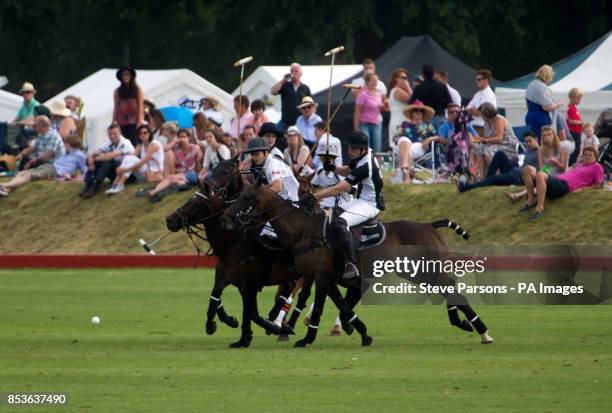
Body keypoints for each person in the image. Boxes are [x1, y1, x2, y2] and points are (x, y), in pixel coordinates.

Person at [307, 131, 384, 279]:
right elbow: (348, 170)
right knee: (331, 214)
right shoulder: (363, 155)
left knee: (340, 223)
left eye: (353, 149)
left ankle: (352, 264)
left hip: (370, 205)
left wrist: (314, 196)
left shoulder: (366, 166)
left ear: (362, 150)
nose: (349, 151)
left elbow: (339, 188)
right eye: (349, 147)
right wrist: (333, 168)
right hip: (360, 200)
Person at [520, 146, 603, 221]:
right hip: (555, 180)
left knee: (540, 175)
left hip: (564, 186)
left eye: (590, 155)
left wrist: (582, 189)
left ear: (595, 157)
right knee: (528, 169)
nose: (587, 157)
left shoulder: (597, 166)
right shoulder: (580, 165)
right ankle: (530, 200)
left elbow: (598, 185)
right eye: (585, 155)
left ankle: (540, 208)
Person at [245, 136, 300, 238]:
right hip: (281, 201)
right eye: (252, 155)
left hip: (289, 204)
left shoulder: (272, 164)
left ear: (265, 152)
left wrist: (258, 196)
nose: (254, 157)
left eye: (257, 154)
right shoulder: (268, 163)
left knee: (266, 235)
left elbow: (277, 187)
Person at [0, 135, 86, 197]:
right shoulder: (67, 154)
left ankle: (4, 185)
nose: (64, 145)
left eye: (66, 143)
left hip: (54, 171)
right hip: (50, 167)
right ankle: (6, 189)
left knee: (30, 175)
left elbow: (85, 172)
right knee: (22, 173)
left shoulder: (79, 155)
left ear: (70, 144)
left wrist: (71, 177)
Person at [458, 132, 539, 192]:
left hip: (520, 178)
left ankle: (466, 188)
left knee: (493, 178)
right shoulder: (528, 150)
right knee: (500, 154)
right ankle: (486, 182)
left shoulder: (540, 152)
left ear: (536, 140)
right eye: (526, 141)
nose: (528, 143)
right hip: (516, 172)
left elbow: (545, 172)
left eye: (530, 141)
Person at [144, 130, 202, 203]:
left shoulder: (195, 148)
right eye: (180, 137)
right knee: (169, 153)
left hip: (189, 174)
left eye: (184, 137)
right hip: (178, 173)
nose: (182, 139)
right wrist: (174, 142)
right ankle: (164, 185)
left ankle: (154, 191)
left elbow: (198, 165)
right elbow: (164, 149)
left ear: (188, 138)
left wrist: (199, 173)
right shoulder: (176, 147)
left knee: (171, 178)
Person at [105, 125, 164, 194]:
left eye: (145, 132)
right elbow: (131, 157)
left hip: (155, 171)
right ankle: (115, 184)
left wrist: (125, 169)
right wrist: (121, 168)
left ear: (150, 133)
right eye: (140, 133)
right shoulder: (140, 145)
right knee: (128, 157)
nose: (142, 135)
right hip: (146, 169)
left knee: (130, 159)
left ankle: (120, 184)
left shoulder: (154, 145)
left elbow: (143, 161)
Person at [80, 123, 134, 198]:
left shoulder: (125, 143)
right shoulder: (109, 142)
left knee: (108, 160)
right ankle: (88, 184)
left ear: (120, 133)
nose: (112, 136)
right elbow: (95, 152)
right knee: (99, 160)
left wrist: (95, 159)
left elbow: (112, 155)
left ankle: (95, 186)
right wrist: (91, 159)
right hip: (117, 173)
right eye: (110, 134)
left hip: (128, 175)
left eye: (114, 134)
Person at [392, 101, 438, 183]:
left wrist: (430, 138)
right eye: (416, 110)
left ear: (423, 113)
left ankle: (405, 171)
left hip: (420, 146)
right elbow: (398, 137)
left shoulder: (428, 125)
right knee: (404, 140)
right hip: (403, 146)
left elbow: (438, 136)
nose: (418, 112)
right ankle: (406, 174)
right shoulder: (405, 124)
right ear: (412, 112)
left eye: (421, 111)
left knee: (406, 148)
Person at [472, 102, 519, 180]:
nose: (481, 116)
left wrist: (485, 140)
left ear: (486, 113)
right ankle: (482, 177)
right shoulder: (487, 123)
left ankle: (497, 175)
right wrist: (480, 140)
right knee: (478, 148)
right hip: (495, 144)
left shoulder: (498, 119)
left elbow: (499, 139)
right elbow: (487, 138)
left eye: (482, 114)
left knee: (487, 151)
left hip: (508, 145)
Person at [525, 65, 563, 141]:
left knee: (532, 143)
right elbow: (547, 107)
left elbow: (527, 103)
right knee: (543, 144)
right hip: (541, 120)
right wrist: (558, 104)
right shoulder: (542, 87)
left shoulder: (530, 85)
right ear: (548, 76)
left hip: (530, 117)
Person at [310, 139, 352, 209]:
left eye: (328, 157)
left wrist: (340, 187)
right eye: (322, 157)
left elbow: (353, 191)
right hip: (323, 203)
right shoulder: (320, 172)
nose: (325, 160)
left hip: (340, 205)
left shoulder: (340, 173)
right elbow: (313, 187)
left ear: (333, 158)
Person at [270, 63, 311, 131]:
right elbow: (273, 92)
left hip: (300, 123)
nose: (293, 73)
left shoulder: (305, 88)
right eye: (292, 71)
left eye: (296, 71)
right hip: (285, 122)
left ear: (301, 73)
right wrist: (283, 80)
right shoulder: (285, 85)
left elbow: (310, 105)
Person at [408, 65, 451, 129]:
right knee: (441, 137)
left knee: (428, 137)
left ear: (423, 75)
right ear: (434, 74)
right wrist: (442, 105)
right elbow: (449, 102)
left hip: (426, 116)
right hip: (440, 115)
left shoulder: (419, 88)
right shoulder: (442, 86)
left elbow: (411, 103)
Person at [354, 73, 387, 153]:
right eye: (373, 81)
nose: (375, 83)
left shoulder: (379, 93)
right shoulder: (362, 95)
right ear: (367, 82)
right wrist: (356, 127)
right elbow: (357, 111)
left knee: (377, 148)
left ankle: (376, 165)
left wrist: (384, 106)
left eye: (376, 81)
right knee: (366, 148)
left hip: (376, 124)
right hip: (365, 124)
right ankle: (366, 164)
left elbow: (382, 108)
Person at [112, 67, 144, 147]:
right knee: (123, 141)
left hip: (134, 120)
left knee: (134, 141)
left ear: (131, 76)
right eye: (124, 74)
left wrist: (140, 120)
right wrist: (113, 121)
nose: (126, 76)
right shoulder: (117, 91)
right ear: (121, 76)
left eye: (128, 74)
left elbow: (141, 105)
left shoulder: (137, 89)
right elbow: (116, 107)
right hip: (121, 120)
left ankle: (136, 158)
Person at [386, 68, 412, 147]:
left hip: (401, 122)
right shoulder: (397, 91)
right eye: (403, 78)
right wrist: (408, 87)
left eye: (406, 78)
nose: (406, 80)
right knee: (400, 147)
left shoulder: (396, 90)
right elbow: (412, 99)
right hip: (399, 124)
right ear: (396, 79)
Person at [566, 87, 583, 165]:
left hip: (577, 131)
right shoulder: (571, 108)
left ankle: (571, 164)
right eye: (578, 99)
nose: (579, 101)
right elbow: (570, 120)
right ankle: (570, 164)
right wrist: (580, 122)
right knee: (576, 150)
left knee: (577, 149)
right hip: (574, 132)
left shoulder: (574, 108)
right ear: (572, 98)